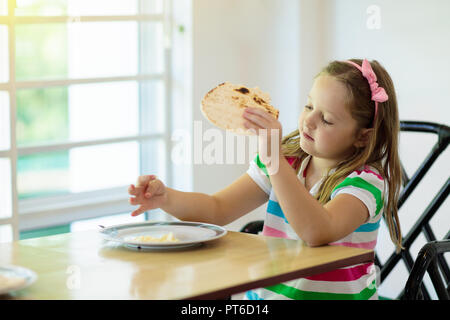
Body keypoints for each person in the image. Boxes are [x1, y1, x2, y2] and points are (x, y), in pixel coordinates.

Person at [128, 58, 403, 300]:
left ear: (362, 136)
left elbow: (317, 231)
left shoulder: (364, 183)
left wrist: (274, 161)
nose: (309, 121)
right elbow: (217, 208)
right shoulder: (287, 163)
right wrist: (167, 198)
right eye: (308, 106)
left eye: (327, 120)